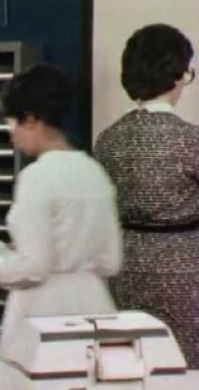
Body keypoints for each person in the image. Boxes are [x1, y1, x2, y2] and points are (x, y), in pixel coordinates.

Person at [0, 64, 122, 366]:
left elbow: (35, 266)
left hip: (44, 309)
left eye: (13, 123)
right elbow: (112, 260)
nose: (12, 136)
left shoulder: (37, 177)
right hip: (94, 304)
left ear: (31, 120)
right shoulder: (94, 172)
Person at [94, 23, 199, 369]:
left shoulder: (108, 139)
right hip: (185, 273)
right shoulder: (190, 140)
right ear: (178, 76)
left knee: (136, 362)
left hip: (125, 268)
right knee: (185, 366)